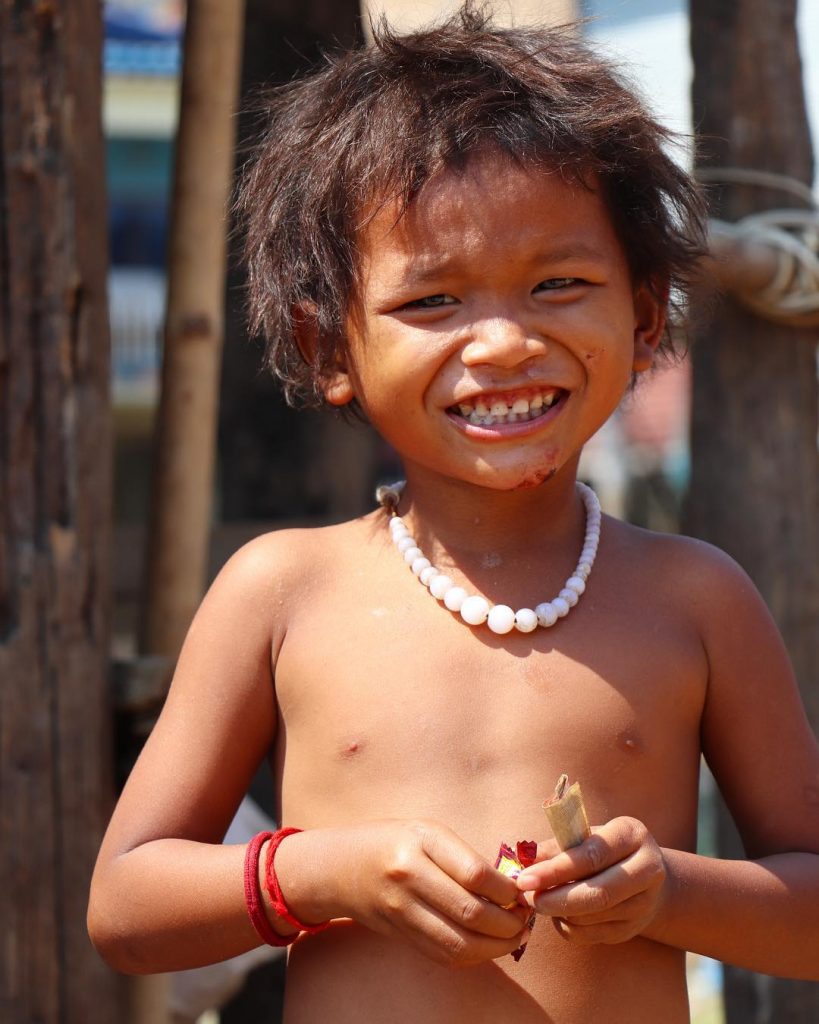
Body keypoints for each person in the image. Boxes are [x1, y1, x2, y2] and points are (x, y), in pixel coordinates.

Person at [88, 8, 819, 1022]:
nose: (504, 343)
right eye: (433, 302)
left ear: (646, 315)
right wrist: (326, 874)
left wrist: (669, 892)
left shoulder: (696, 598)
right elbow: (125, 905)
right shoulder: (283, 591)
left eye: (559, 283)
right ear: (329, 348)